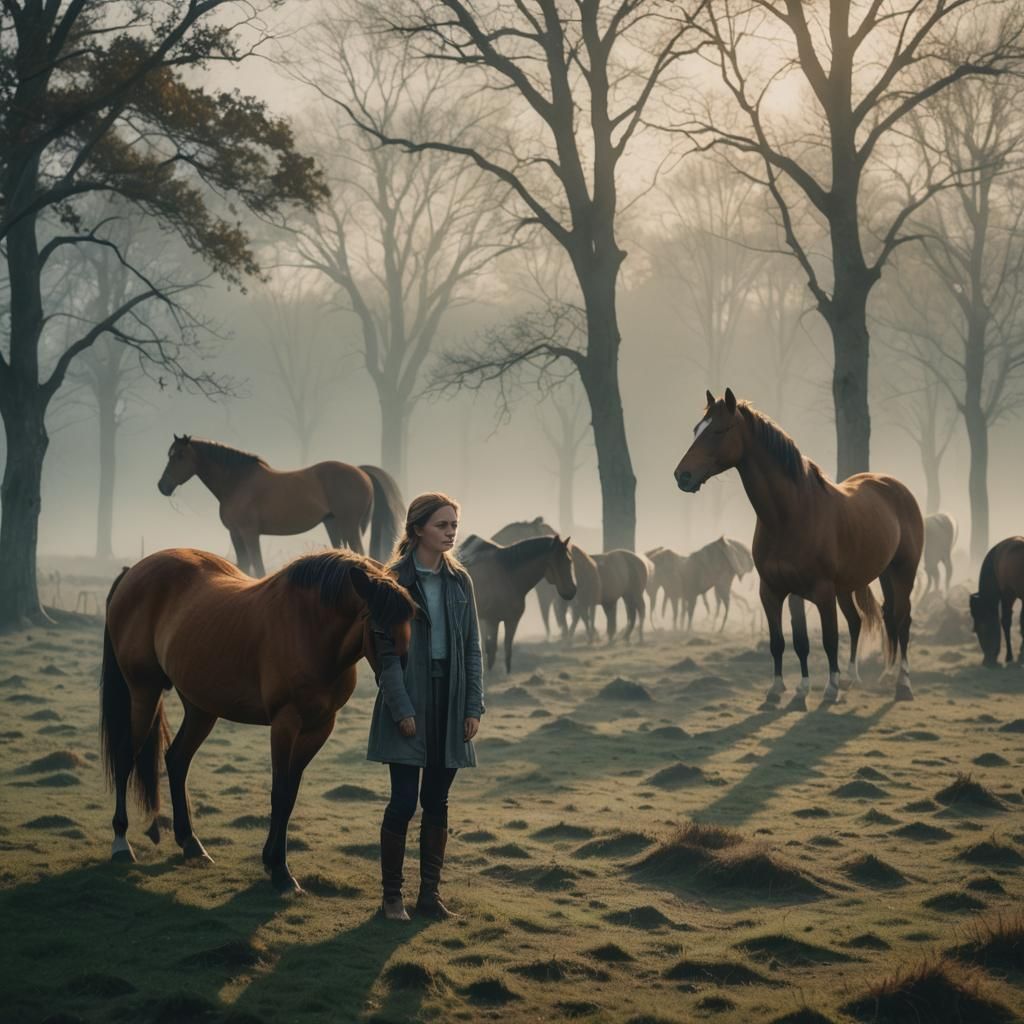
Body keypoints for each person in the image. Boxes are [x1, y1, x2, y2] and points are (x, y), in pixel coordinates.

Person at [367, 492, 484, 921]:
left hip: (451, 702)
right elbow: (385, 656)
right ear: (418, 529)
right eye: (442, 525)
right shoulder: (392, 581)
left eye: (454, 525)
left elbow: (472, 647)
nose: (451, 533)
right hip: (410, 697)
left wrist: (473, 706)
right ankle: (392, 898)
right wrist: (401, 710)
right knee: (403, 802)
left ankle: (429, 898)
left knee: (437, 801)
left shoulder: (460, 582)